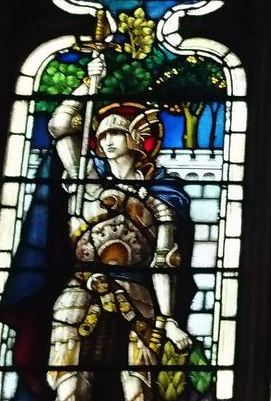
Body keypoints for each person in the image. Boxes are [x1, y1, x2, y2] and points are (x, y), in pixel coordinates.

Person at [43, 54, 193, 401]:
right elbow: (61, 126)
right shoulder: (87, 183)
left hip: (138, 297)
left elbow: (164, 263)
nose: (106, 139)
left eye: (116, 132)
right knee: (70, 387)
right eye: (102, 133)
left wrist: (169, 319)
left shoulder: (162, 198)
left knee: (138, 390)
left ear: (138, 139)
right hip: (79, 293)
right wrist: (87, 84)